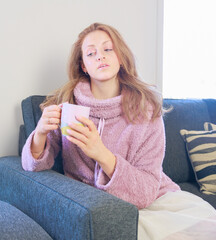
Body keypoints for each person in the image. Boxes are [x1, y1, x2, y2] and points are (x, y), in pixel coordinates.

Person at [21, 22, 216, 239]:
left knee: (209, 225)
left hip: (156, 200)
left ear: (120, 57)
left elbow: (147, 190)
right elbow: (32, 166)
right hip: (100, 208)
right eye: (91, 53)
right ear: (84, 65)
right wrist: (39, 134)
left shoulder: (147, 110)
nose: (100, 56)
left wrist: (101, 154)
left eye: (108, 49)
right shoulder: (68, 106)